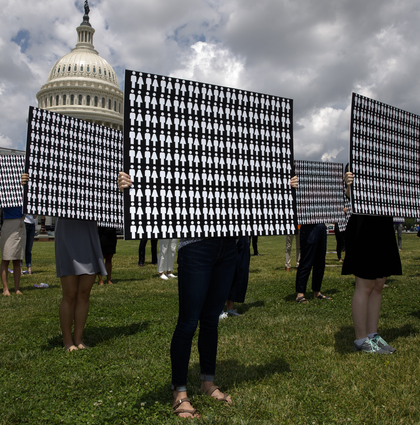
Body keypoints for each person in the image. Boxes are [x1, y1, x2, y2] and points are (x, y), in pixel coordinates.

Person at [118, 171, 298, 418]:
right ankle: (179, 393)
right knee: (188, 322)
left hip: (228, 244)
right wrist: (131, 184)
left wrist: (282, 187)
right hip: (196, 245)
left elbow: (249, 183)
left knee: (211, 320)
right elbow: (160, 175)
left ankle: (207, 383)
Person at [22, 174, 105, 351]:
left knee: (84, 293)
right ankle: (67, 340)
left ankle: (79, 339)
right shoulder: (60, 171)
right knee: (70, 293)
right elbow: (42, 189)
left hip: (88, 228)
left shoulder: (95, 171)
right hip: (67, 228)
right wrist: (28, 184)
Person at [342, 167, 401, 354]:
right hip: (363, 225)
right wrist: (348, 184)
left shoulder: (384, 162)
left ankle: (372, 334)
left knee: (379, 283)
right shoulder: (358, 158)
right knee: (365, 284)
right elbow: (352, 196)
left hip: (383, 223)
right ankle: (361, 339)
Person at [294, 223, 330, 303]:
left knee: (320, 262)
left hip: (321, 226)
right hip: (308, 227)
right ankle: (300, 294)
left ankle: (317, 291)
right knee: (306, 261)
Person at [221, 236, 250, 318]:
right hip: (226, 236)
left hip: (242, 235)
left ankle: (230, 309)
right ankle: (219, 310)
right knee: (223, 272)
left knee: (239, 270)